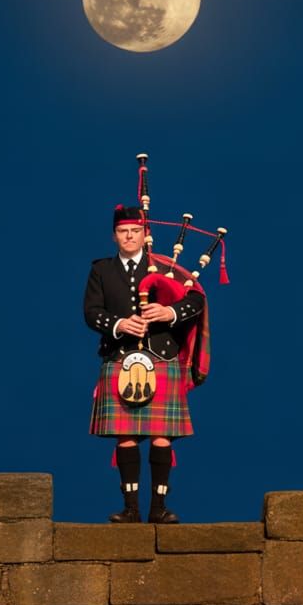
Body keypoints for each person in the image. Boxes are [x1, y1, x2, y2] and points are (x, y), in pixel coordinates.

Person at [84, 204, 206, 524]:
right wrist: (120, 324)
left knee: (162, 435)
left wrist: (169, 313)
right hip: (119, 357)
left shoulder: (164, 268)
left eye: (135, 231)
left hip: (161, 357)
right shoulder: (101, 270)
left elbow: (196, 299)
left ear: (144, 234)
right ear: (114, 236)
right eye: (123, 232)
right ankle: (131, 509)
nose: (129, 236)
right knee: (125, 437)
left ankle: (158, 509)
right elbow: (91, 312)